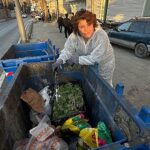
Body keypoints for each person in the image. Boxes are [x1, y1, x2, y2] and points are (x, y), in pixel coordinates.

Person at [52, 9, 115, 86]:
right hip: (87, 63)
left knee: (104, 86)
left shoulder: (101, 35)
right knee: (91, 83)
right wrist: (60, 60)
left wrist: (77, 59)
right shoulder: (75, 36)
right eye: (82, 27)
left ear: (93, 24)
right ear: (77, 27)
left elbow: (95, 58)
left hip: (104, 65)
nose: (86, 30)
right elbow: (67, 50)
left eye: (89, 25)